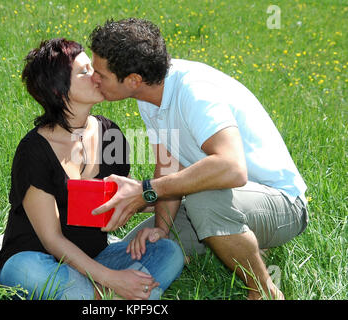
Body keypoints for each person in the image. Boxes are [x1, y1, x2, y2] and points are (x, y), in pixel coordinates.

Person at [89, 18, 309, 300]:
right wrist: (161, 230)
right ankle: (236, 241)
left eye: (100, 74)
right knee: (137, 248)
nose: (93, 79)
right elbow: (168, 167)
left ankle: (264, 290)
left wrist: (146, 190)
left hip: (283, 204)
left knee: (205, 201)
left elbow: (232, 169)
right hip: (225, 201)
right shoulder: (149, 96)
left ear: (133, 80)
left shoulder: (194, 91)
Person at [0, 38, 184, 300]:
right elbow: (52, 240)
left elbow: (125, 197)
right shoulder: (34, 150)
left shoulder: (109, 133)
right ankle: (115, 295)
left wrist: (165, 193)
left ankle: (99, 295)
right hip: (41, 261)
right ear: (59, 90)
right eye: (84, 72)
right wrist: (113, 279)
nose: (97, 76)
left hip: (96, 259)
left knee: (167, 250)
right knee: (24, 270)